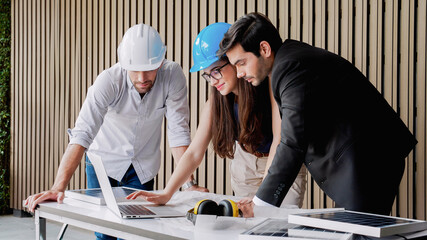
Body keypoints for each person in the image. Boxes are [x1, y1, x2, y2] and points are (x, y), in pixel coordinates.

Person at [217, 12, 417, 216]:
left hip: (370, 159)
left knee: (363, 233)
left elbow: (292, 142)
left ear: (264, 49)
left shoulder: (291, 67)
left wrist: (260, 205)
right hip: (362, 159)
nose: (239, 73)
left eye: (241, 63)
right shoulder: (289, 62)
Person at [25, 24, 206, 240]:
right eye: (134, 69)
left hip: (142, 167)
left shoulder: (172, 76)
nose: (141, 77)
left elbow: (178, 132)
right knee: (105, 232)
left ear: (161, 61)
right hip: (103, 162)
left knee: (136, 233)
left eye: (149, 68)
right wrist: (58, 187)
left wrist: (189, 185)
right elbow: (82, 133)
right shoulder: (109, 81)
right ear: (123, 63)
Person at [127, 23, 307, 207]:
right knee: (248, 227)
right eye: (207, 75)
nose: (213, 82)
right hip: (245, 163)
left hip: (279, 159)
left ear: (233, 59)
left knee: (277, 222)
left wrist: (262, 199)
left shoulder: (267, 83)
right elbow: (194, 153)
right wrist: (167, 193)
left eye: (216, 71)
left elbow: (279, 140)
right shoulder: (217, 100)